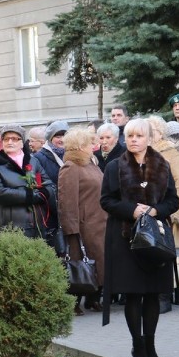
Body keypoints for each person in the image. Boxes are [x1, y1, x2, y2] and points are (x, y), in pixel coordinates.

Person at [100, 118, 179, 357]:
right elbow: (106, 201)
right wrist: (132, 210)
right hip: (125, 237)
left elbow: (173, 201)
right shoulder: (114, 167)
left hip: (155, 239)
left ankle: (151, 346)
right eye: (130, 135)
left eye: (139, 136)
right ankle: (137, 344)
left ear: (149, 138)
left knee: (153, 294)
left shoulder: (162, 165)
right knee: (134, 294)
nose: (133, 140)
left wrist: (155, 211)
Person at [147, 115, 179, 313]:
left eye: (151, 131)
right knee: (157, 254)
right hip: (149, 213)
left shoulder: (169, 151)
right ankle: (161, 295)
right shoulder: (144, 152)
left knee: (168, 255)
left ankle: (167, 296)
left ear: (159, 133)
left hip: (169, 213)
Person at [58, 128, 108, 315]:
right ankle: (74, 301)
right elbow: (66, 200)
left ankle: (93, 298)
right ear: (80, 146)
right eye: (89, 143)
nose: (93, 146)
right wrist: (71, 228)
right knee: (79, 264)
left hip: (100, 223)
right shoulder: (71, 167)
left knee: (99, 263)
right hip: (83, 226)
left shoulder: (91, 164)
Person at [0, 124, 57, 239]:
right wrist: (29, 196)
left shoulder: (33, 161)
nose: (10, 142)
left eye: (14, 139)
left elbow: (49, 185)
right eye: (6, 139)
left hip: (36, 223)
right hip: (12, 225)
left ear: (22, 142)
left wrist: (43, 193)